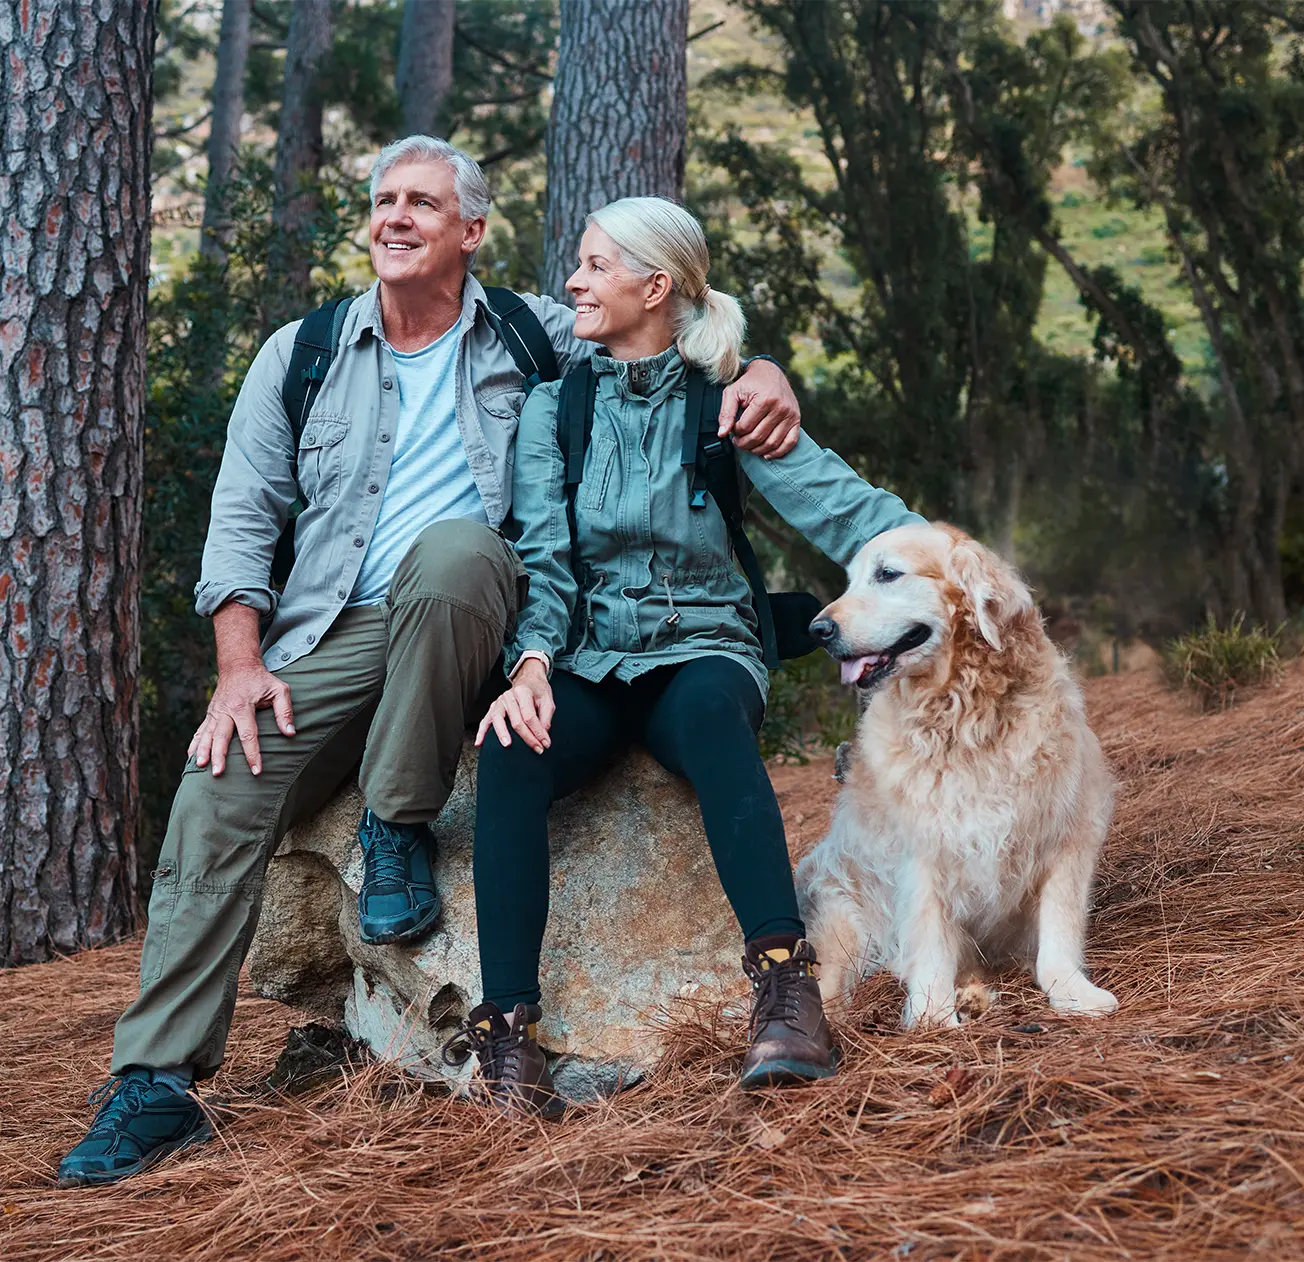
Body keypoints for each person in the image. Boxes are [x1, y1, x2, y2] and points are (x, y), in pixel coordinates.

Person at [56, 140, 802, 1187]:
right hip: (333, 629)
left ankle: (395, 819)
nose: (395, 217)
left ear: (470, 231)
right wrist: (239, 666)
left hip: (477, 620)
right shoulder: (303, 351)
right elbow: (239, 524)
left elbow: (668, 341)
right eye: (383, 200)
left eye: (423, 202)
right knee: (224, 781)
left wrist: (763, 372)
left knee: (454, 551)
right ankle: (156, 1081)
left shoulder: (536, 334)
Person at [445, 196, 925, 1116]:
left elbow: (845, 509)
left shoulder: (727, 399)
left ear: (654, 286)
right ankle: (507, 1039)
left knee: (709, 715)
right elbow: (542, 555)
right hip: (586, 657)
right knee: (511, 746)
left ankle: (786, 992)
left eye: (593, 266)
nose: (574, 282)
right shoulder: (557, 409)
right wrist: (533, 667)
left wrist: (950, 565)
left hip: (704, 644)